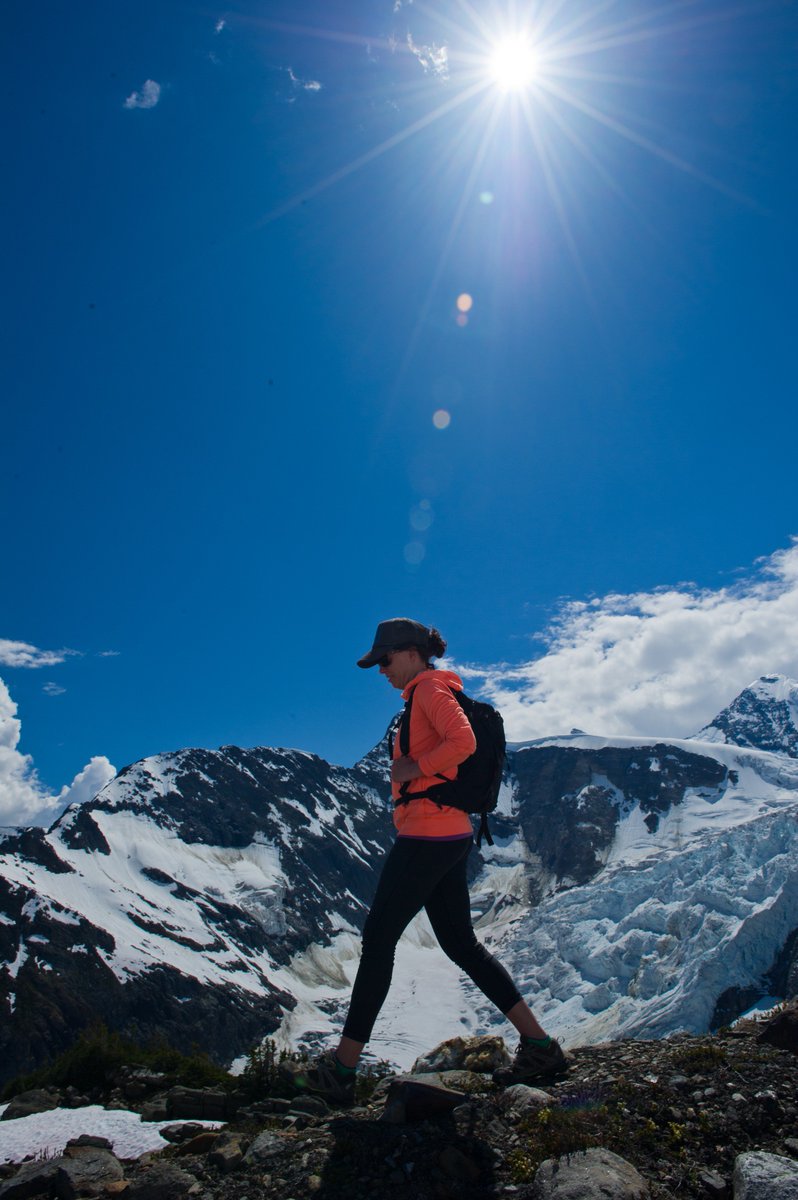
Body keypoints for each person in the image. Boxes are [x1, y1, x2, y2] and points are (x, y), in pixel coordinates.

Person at [281, 617, 568, 1104]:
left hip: (429, 835)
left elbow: (464, 744)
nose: (381, 670)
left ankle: (342, 1071)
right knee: (462, 945)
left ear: (411, 653)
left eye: (384, 660)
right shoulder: (429, 693)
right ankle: (540, 1046)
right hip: (450, 833)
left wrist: (414, 767)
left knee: (378, 940)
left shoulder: (431, 693)